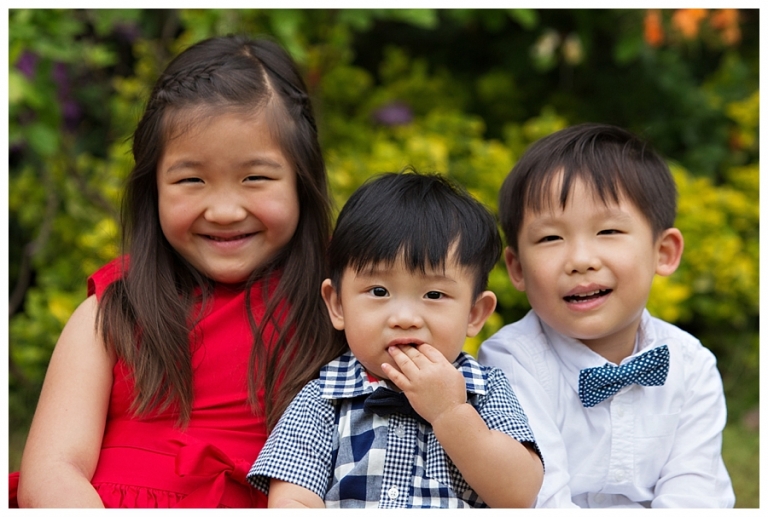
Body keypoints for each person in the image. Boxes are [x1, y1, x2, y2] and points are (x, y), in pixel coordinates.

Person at [15, 35, 337, 508]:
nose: (224, 211)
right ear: (154, 188)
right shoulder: (115, 310)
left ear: (301, 182)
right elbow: (53, 470)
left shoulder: (340, 305)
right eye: (191, 180)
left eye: (255, 178)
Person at [247, 171, 544, 508]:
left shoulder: (485, 391)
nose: (404, 318)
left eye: (434, 294)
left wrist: (450, 412)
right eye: (379, 291)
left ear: (474, 314)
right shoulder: (323, 399)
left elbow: (520, 495)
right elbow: (293, 499)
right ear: (338, 305)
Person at [478, 123, 735, 508]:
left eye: (609, 231)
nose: (581, 260)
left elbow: (696, 497)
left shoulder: (691, 366)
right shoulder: (512, 363)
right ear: (517, 269)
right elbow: (540, 501)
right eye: (550, 238)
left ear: (663, 252)